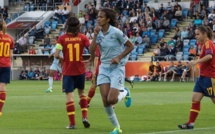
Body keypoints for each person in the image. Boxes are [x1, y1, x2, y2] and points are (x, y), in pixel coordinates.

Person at [89, 8, 134, 134]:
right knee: (105, 100)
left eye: (101, 17)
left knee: (112, 99)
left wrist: (119, 57)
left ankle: (125, 92)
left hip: (117, 68)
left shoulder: (116, 32)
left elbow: (131, 46)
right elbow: (91, 49)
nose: (98, 19)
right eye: (98, 16)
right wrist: (95, 35)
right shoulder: (99, 33)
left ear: (108, 19)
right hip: (104, 67)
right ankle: (117, 127)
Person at [54, 16, 90, 129]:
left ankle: (72, 123)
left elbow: (55, 55)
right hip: (80, 69)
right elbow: (92, 48)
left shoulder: (62, 38)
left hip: (68, 71)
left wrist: (62, 59)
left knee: (70, 97)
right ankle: (84, 117)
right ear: (78, 26)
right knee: (82, 93)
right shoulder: (83, 37)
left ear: (67, 26)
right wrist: (91, 59)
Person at [178, 25, 215, 129]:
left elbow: (209, 56)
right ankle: (190, 123)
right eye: (195, 34)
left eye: (198, 34)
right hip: (202, 78)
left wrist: (195, 62)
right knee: (195, 99)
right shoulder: (204, 45)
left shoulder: (209, 43)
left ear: (205, 34)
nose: (196, 36)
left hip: (210, 78)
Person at [0, 20, 14, 117]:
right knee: (3, 89)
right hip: (6, 66)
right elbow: (11, 55)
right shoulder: (10, 38)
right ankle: (0, 110)